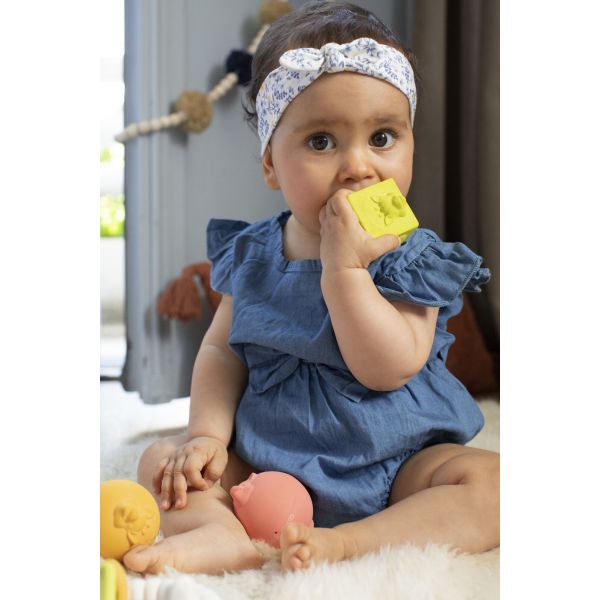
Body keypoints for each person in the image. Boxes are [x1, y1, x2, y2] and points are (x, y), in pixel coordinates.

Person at [123, 1, 499, 575]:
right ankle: (220, 533)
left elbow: (389, 367)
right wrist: (207, 437)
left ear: (411, 145)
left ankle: (350, 541)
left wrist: (345, 271)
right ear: (271, 165)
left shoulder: (413, 256)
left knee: (495, 484)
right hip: (268, 463)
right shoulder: (252, 254)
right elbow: (223, 351)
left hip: (397, 462)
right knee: (164, 461)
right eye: (322, 142)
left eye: (382, 137)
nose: (358, 167)